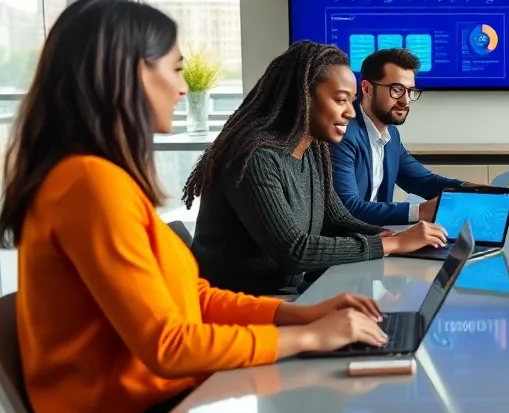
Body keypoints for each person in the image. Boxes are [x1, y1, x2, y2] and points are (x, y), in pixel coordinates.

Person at [1, 0, 390, 413]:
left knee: (339, 400)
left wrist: (302, 317)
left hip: (157, 406)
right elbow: (169, 345)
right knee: (341, 412)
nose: (183, 88)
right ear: (130, 73)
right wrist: (309, 339)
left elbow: (193, 297)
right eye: (176, 69)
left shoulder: (101, 179)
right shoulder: (89, 186)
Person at [185, 42, 447, 295]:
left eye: (351, 100)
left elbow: (336, 219)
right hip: (238, 303)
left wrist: (387, 236)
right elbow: (294, 251)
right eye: (341, 100)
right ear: (304, 97)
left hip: (286, 292)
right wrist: (391, 243)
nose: (351, 113)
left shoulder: (312, 149)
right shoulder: (253, 157)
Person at [331, 48, 470, 227]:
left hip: (379, 236)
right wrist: (422, 211)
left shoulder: (391, 135)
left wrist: (471, 190)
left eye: (410, 91)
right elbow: (347, 208)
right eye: (396, 90)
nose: (405, 100)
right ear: (367, 89)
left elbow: (423, 181)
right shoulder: (343, 132)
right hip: (350, 245)